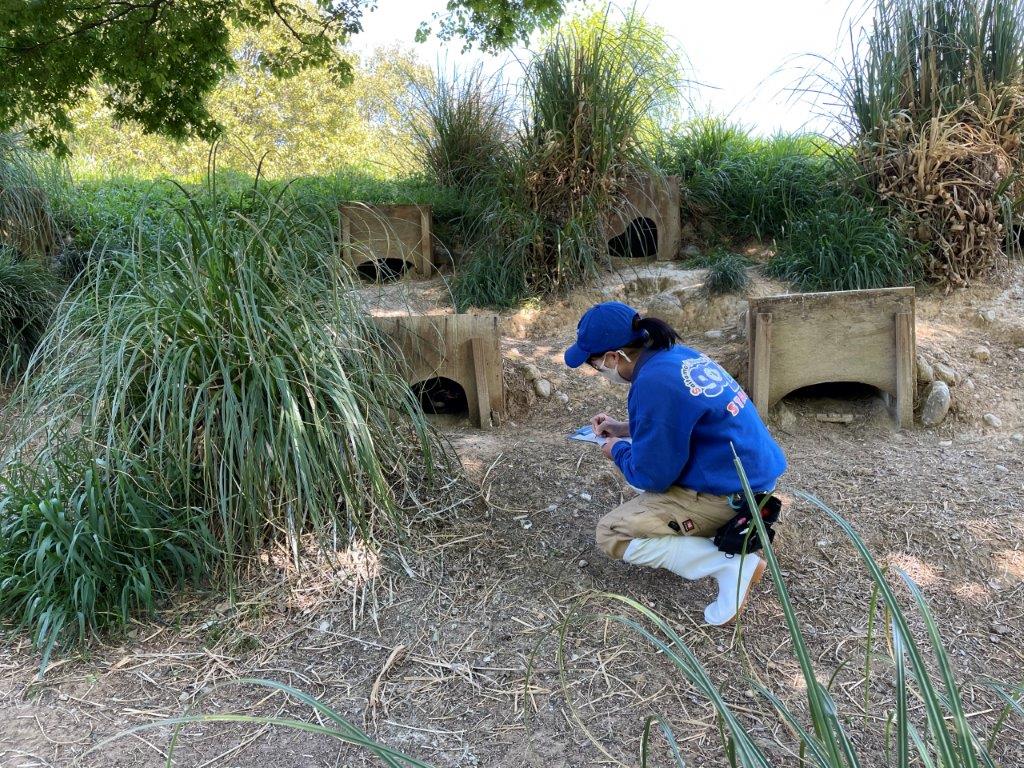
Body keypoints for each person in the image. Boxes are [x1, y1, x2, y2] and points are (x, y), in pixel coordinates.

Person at [564, 301, 787, 625]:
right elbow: (686, 418)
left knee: (611, 533)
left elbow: (650, 476)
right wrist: (625, 429)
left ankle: (728, 563)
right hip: (752, 476)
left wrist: (616, 450)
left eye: (594, 363)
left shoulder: (653, 383)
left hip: (730, 495)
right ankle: (715, 539)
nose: (597, 369)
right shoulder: (678, 357)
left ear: (613, 357)